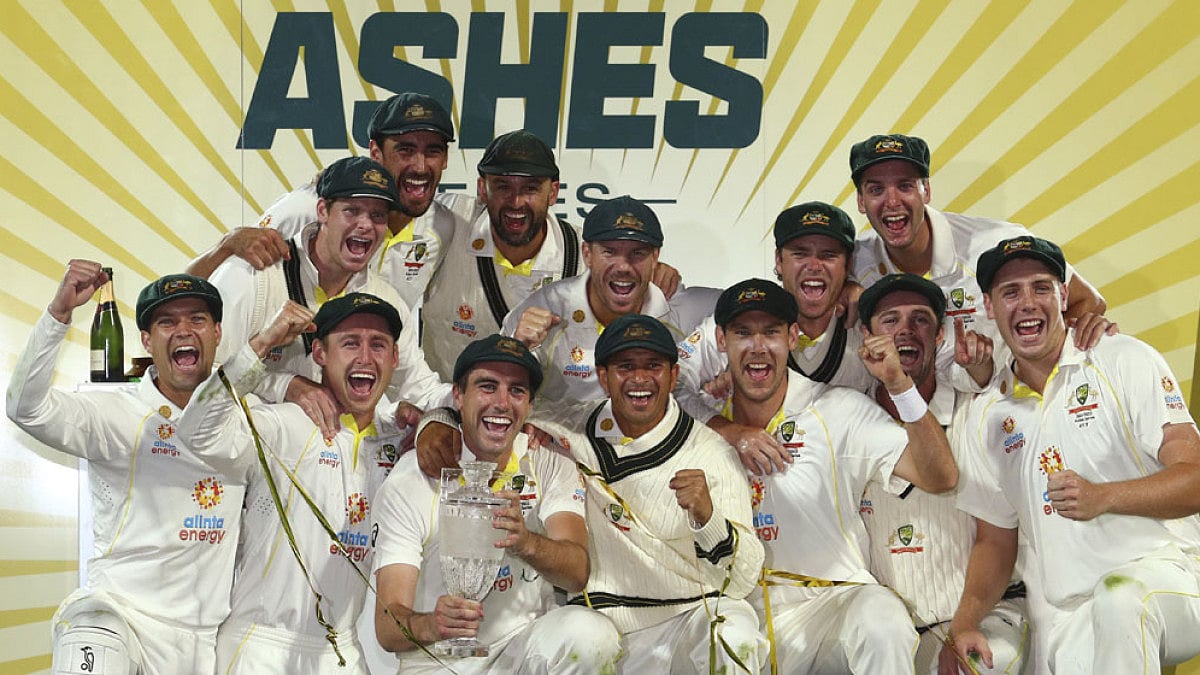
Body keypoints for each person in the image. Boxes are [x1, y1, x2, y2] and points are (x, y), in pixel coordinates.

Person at [942, 236, 1200, 674]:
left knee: (1121, 599)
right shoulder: (985, 413)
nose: (1027, 303)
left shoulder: (1123, 360)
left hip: (1172, 576)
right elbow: (995, 539)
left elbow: (1194, 478)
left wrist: (1105, 497)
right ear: (988, 306)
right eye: (1010, 292)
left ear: (1064, 295)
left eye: (1041, 287)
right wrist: (963, 624)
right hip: (1070, 611)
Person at [712, 278, 958, 674]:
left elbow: (940, 476)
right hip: (741, 619)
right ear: (721, 340)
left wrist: (899, 384)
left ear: (793, 337)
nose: (758, 348)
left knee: (881, 615)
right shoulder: (699, 425)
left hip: (830, 609)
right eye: (743, 333)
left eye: (771, 332)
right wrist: (725, 431)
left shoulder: (838, 409)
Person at [7, 266, 239, 674]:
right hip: (120, 621)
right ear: (147, 341)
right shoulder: (116, 411)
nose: (184, 330)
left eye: (197, 319)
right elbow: (26, 407)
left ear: (217, 333)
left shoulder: (245, 421)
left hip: (203, 640)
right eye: (167, 321)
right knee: (90, 629)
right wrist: (58, 314)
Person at [176, 293, 411, 673]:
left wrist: (437, 422)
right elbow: (196, 432)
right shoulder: (284, 423)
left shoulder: (398, 440)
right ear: (319, 353)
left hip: (343, 653)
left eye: (378, 345)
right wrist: (262, 346)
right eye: (350, 343)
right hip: (262, 649)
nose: (366, 357)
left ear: (395, 359)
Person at [372, 334, 621, 673]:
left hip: (520, 651)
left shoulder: (548, 462)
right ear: (458, 396)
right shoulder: (413, 476)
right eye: (487, 387)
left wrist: (526, 543)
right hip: (439, 661)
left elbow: (577, 574)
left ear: (530, 404)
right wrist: (432, 624)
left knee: (591, 634)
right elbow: (388, 627)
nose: (503, 403)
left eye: (517, 390)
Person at [853, 274, 1027, 674]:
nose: (906, 330)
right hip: (890, 631)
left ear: (940, 334)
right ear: (866, 336)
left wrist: (964, 624)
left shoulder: (977, 410)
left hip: (983, 614)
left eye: (921, 319)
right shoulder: (845, 416)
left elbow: (999, 536)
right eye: (890, 320)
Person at [208, 155, 449, 437]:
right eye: (352, 211)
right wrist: (282, 385)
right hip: (242, 457)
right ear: (322, 211)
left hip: (328, 468)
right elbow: (202, 374)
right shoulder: (254, 275)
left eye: (377, 215)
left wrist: (447, 415)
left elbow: (420, 387)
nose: (365, 225)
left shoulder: (384, 299)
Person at [420, 131, 685, 381]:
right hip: (446, 411)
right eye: (502, 187)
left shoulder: (589, 257)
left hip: (553, 419)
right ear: (482, 189)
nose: (516, 202)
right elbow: (393, 215)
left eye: (531, 188)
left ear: (554, 192)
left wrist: (653, 271)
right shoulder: (448, 224)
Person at [848, 133, 1109, 381]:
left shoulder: (997, 243)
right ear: (861, 201)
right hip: (909, 411)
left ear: (926, 190)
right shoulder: (854, 259)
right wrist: (846, 289)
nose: (892, 201)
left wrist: (1047, 363)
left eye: (905, 186)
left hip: (1003, 413)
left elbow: (1088, 301)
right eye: (876, 190)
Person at [186, 92, 475, 309]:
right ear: (375, 152)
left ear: (446, 158)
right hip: (278, 381)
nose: (421, 166)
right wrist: (226, 246)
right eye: (406, 150)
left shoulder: (443, 226)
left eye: (433, 151)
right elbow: (186, 293)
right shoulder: (307, 209)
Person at [675, 201, 875, 474]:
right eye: (800, 254)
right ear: (779, 261)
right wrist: (729, 430)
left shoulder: (868, 328)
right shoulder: (735, 322)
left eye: (829, 255)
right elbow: (669, 387)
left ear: (848, 265)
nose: (814, 266)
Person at [503, 195, 717, 406]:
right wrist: (518, 347)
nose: (623, 267)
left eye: (638, 253)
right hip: (562, 439)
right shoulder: (547, 305)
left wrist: (730, 376)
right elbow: (494, 388)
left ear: (655, 257)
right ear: (587, 254)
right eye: (610, 252)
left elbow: (746, 309)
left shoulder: (684, 310)